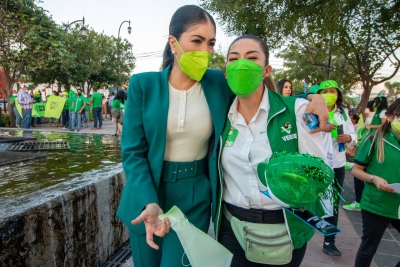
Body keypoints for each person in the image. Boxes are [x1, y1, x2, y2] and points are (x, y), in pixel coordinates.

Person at [117, 5, 329, 267]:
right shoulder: (143, 84)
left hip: (194, 195)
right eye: (197, 41)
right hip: (147, 192)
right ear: (173, 43)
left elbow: (258, 91)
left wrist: (311, 98)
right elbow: (133, 152)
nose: (205, 51)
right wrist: (147, 201)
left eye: (211, 43)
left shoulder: (218, 83)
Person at [216, 34, 332, 267]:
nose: (242, 64)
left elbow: (319, 174)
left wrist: (285, 182)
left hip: (286, 228)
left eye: (252, 57)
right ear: (226, 71)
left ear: (266, 70)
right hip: (233, 228)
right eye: (233, 58)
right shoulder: (220, 116)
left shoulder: (298, 111)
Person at [351, 98, 400, 267]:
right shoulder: (374, 139)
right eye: (399, 115)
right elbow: (356, 170)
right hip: (376, 203)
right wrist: (374, 179)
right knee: (368, 248)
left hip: (398, 205)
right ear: (389, 116)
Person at [316, 79, 357, 256]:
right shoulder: (311, 110)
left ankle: (329, 240)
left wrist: (347, 138)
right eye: (324, 92)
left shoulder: (344, 113)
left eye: (332, 91)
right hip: (316, 163)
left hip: (337, 164)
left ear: (338, 94)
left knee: (332, 204)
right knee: (310, 200)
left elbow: (353, 135)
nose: (328, 95)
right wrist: (320, 128)